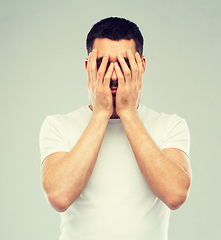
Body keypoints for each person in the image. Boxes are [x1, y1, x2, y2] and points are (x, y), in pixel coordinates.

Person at [39, 17, 192, 240]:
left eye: (124, 64)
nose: (113, 76)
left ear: (142, 66)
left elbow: (175, 195)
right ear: (88, 67)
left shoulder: (170, 125)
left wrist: (128, 112)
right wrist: (101, 112)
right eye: (103, 64)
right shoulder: (58, 126)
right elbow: (59, 197)